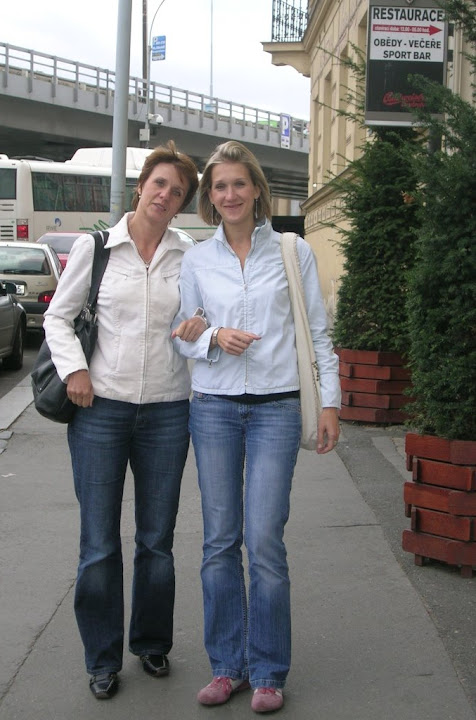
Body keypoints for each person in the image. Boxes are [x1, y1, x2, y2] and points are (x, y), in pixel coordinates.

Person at [172, 140, 341, 714]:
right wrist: (213, 336)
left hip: (276, 408)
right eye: (219, 186)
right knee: (219, 540)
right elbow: (183, 334)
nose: (230, 194)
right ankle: (227, 667)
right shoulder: (197, 260)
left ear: (257, 189)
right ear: (209, 196)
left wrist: (330, 404)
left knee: (264, 539)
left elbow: (317, 331)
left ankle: (267, 671)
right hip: (214, 407)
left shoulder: (292, 251)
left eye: (238, 183)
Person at [43, 141, 204, 700]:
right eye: (160, 184)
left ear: (182, 203)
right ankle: (102, 657)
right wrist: (75, 371)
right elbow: (58, 319)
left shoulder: (188, 255)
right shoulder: (96, 249)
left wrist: (199, 324)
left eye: (177, 191)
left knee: (157, 540)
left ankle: (152, 642)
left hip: (168, 410)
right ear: (141, 186)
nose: (165, 195)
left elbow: (204, 317)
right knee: (99, 542)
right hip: (100, 410)